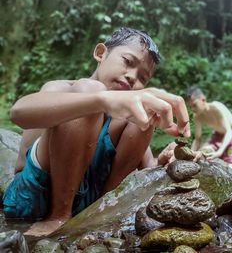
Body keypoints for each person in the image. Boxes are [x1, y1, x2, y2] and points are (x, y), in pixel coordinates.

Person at [2, 27, 190, 237]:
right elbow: (18, 113)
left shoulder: (125, 117)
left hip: (89, 201)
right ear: (101, 53)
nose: (132, 77)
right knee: (90, 90)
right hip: (33, 196)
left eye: (142, 78)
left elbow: (147, 167)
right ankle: (58, 216)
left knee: (143, 114)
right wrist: (101, 100)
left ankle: (102, 212)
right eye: (128, 62)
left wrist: (167, 159)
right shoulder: (62, 89)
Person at [186, 86, 232, 170]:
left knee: (231, 163)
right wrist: (190, 155)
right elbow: (198, 139)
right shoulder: (197, 116)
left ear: (203, 100)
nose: (193, 109)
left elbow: (229, 132)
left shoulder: (216, 107)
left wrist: (219, 152)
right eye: (191, 106)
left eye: (194, 105)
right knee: (203, 152)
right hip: (218, 134)